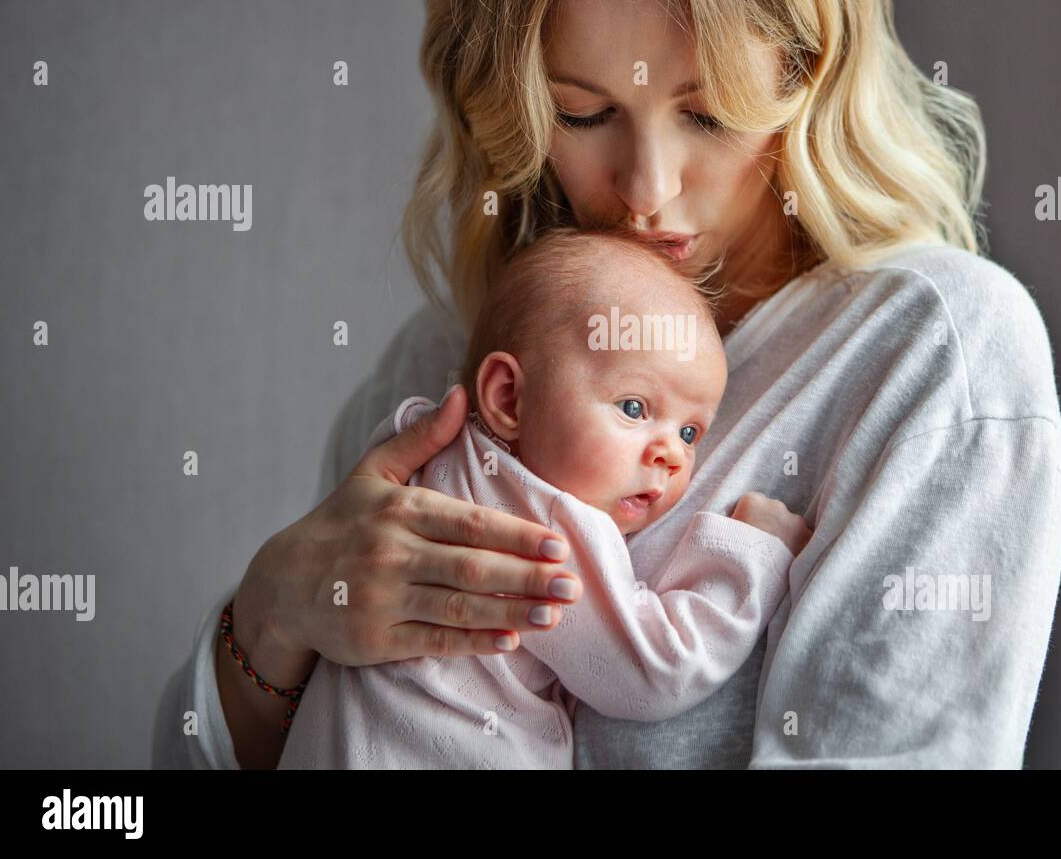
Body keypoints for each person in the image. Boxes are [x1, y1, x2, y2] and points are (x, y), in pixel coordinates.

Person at [153, 0, 1061, 770]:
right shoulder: (446, 362)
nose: (646, 188)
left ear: (808, 75)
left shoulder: (933, 351)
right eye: (584, 114)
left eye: (710, 113)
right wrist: (272, 613)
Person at [277, 228, 808, 768]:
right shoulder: (548, 521)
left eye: (691, 433)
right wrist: (751, 552)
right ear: (509, 396)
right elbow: (657, 670)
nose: (671, 454)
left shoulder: (416, 450)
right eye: (633, 407)